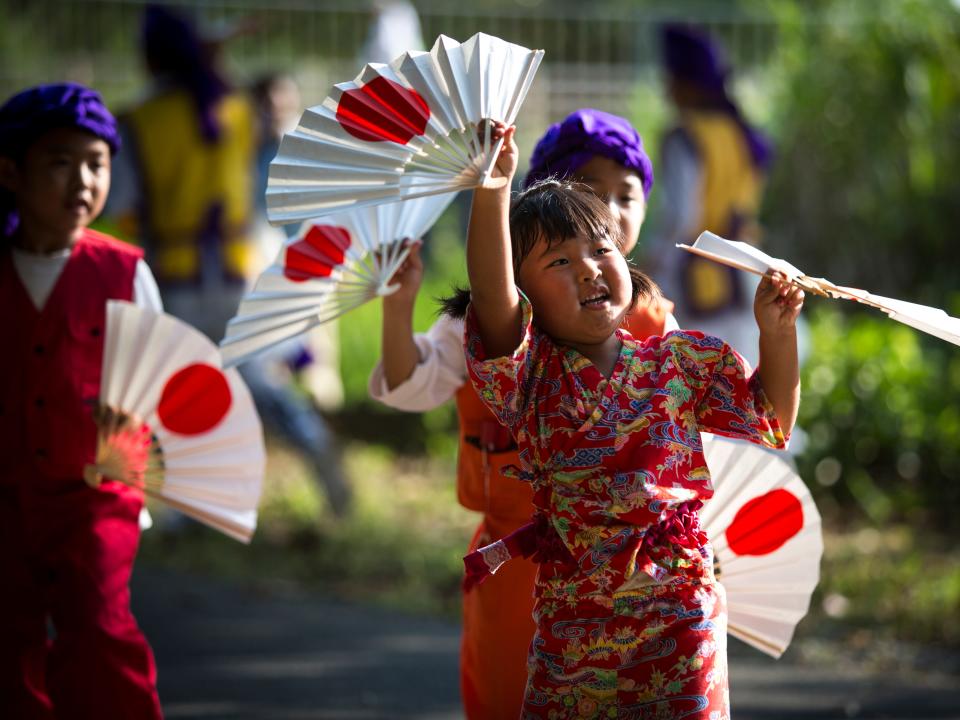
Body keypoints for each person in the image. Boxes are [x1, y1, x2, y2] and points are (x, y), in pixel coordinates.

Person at [463, 122, 802, 716]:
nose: (590, 269)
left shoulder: (683, 359)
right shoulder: (530, 377)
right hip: (574, 634)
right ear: (525, 295)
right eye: (560, 261)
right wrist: (493, 188)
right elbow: (491, 296)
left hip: (681, 623)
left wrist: (777, 334)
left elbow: (771, 420)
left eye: (601, 250)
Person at [369, 109, 675, 719]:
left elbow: (685, 444)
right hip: (520, 566)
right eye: (591, 191)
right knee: (514, 697)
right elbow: (407, 384)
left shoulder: (654, 322)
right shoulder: (495, 320)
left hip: (635, 566)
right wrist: (397, 311)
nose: (610, 209)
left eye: (626, 195)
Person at [0, 83, 163, 718]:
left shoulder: (124, 270)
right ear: (11, 171)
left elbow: (154, 377)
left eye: (97, 164)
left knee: (98, 631)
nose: (83, 182)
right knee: (10, 640)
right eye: (61, 162)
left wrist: (130, 429)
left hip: (96, 494)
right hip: (7, 494)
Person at [107, 3, 259, 343]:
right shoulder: (238, 107)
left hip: (171, 274)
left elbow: (122, 207)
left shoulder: (138, 120)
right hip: (238, 268)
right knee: (238, 381)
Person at [644, 23, 774, 368]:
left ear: (687, 82)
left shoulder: (685, 137)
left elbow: (682, 217)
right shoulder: (742, 134)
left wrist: (650, 268)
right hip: (745, 273)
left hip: (694, 275)